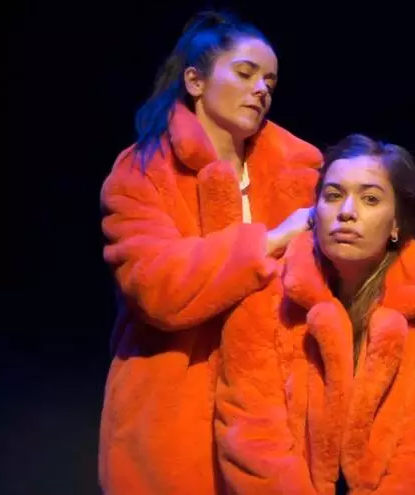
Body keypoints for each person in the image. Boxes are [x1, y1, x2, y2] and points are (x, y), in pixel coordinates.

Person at [98, 10, 323, 494]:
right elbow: (157, 286)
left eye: (270, 81)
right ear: (195, 82)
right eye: (245, 73)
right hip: (172, 411)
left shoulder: (301, 174)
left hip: (272, 424)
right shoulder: (142, 172)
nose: (261, 89)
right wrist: (269, 241)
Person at [214, 134, 415, 494]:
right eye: (333, 195)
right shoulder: (266, 299)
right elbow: (252, 436)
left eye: (370, 199)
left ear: (396, 223)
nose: (347, 211)